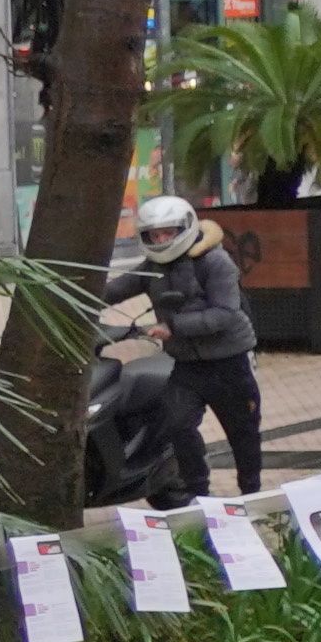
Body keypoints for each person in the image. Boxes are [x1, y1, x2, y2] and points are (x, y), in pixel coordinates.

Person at [118, 194, 259, 504]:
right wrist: (76, 293)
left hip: (229, 363)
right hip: (187, 366)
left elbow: (225, 313)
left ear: (186, 228)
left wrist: (174, 328)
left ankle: (253, 495)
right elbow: (121, 286)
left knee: (243, 434)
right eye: (155, 235)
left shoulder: (216, 261)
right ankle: (198, 494)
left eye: (168, 232)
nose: (161, 239)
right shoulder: (153, 265)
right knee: (176, 424)